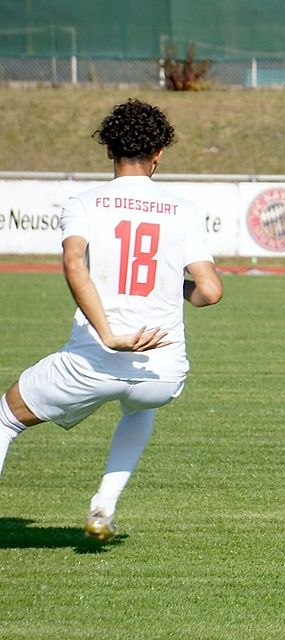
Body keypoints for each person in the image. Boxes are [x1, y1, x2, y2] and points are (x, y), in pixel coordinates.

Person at [0, 99, 222, 540]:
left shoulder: (84, 203)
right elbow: (209, 292)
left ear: (108, 150)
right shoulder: (183, 209)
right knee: (139, 406)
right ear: (158, 153)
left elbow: (74, 265)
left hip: (95, 360)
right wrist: (170, 286)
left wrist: (109, 335)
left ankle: (104, 506)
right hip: (162, 370)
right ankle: (103, 507)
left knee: (5, 418)